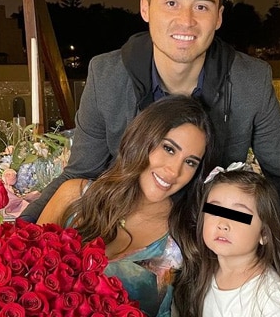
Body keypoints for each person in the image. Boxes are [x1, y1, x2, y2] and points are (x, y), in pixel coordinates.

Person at [21, 0, 280, 317]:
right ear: (146, 8)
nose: (186, 20)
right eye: (171, 2)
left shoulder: (250, 81)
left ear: (219, 17)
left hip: (200, 246)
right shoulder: (107, 74)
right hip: (123, 232)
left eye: (202, 6)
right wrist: (14, 239)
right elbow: (79, 172)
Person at [37, 95, 214, 317]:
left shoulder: (184, 234)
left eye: (190, 162)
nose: (173, 171)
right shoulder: (73, 197)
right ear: (142, 139)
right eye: (169, 149)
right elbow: (23, 270)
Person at [175, 168, 280, 317]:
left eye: (238, 215)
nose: (223, 224)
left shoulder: (271, 295)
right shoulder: (204, 274)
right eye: (214, 210)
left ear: (264, 234)